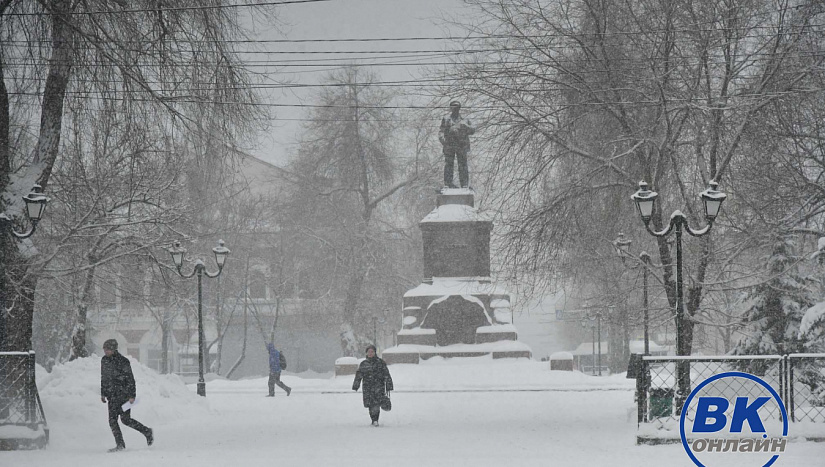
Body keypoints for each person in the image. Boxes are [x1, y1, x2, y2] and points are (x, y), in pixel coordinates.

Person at [100, 339, 153, 452]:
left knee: (125, 419)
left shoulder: (123, 361)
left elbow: (130, 379)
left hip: (124, 396)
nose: (106, 351)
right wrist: (103, 393)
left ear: (114, 349)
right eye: (104, 349)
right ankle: (120, 444)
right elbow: (104, 377)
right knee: (112, 421)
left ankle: (147, 431)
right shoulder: (104, 360)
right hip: (112, 396)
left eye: (108, 349)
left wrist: (132, 395)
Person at [352, 344, 393, 426]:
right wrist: (356, 385)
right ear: (366, 353)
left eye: (372, 352)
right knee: (370, 404)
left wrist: (389, 385)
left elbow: (386, 374)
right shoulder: (363, 364)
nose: (370, 353)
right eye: (369, 352)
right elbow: (359, 375)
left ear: (375, 352)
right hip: (367, 387)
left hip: (379, 386)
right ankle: (373, 419)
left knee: (376, 403)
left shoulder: (380, 362)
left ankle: (375, 420)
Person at [439, 100, 475, 189]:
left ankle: (464, 184)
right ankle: (448, 184)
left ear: (459, 108)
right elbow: (441, 131)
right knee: (449, 164)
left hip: (461, 145)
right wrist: (443, 141)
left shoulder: (465, 120)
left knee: (463, 165)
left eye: (457, 107)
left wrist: (466, 126)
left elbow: (473, 130)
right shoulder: (446, 119)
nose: (455, 109)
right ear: (450, 108)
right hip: (449, 145)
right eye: (453, 107)